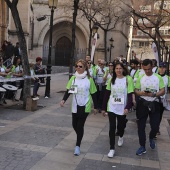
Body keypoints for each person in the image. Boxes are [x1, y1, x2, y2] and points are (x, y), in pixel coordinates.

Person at [60, 59, 97, 156]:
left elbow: (94, 94)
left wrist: (96, 107)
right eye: (76, 66)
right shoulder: (73, 78)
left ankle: (77, 146)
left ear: (85, 67)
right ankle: (80, 135)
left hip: (85, 105)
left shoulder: (89, 79)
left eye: (80, 66)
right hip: (75, 105)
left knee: (80, 126)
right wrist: (63, 100)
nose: (78, 68)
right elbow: (68, 90)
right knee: (74, 125)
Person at [102, 62, 134, 158]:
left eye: (120, 68)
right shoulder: (112, 79)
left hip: (122, 108)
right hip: (112, 107)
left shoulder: (128, 79)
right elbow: (107, 94)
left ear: (123, 69)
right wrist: (103, 108)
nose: (118, 70)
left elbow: (130, 95)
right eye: (116, 68)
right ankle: (112, 148)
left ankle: (121, 136)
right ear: (114, 70)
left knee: (120, 126)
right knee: (112, 127)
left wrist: (127, 107)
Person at [135, 59, 165, 156]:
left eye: (148, 69)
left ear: (152, 66)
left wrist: (154, 94)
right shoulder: (141, 77)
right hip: (142, 103)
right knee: (141, 126)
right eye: (145, 69)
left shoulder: (158, 77)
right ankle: (142, 146)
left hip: (154, 103)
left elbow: (163, 91)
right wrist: (141, 93)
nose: (147, 71)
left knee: (155, 126)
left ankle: (151, 137)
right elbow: (136, 90)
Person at [156, 62, 170, 136]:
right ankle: (155, 127)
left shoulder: (168, 78)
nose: (162, 69)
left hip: (163, 99)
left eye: (163, 68)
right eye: (160, 67)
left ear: (165, 69)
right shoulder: (155, 76)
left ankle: (157, 128)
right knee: (154, 114)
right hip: (155, 98)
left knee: (160, 114)